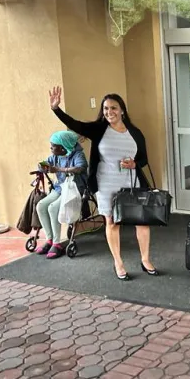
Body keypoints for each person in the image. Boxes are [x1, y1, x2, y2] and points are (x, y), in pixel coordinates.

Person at [48, 86, 157, 280]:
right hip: (106, 182)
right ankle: (118, 262)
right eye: (106, 109)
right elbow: (76, 124)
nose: (109, 112)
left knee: (142, 221)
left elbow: (143, 159)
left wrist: (134, 163)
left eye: (113, 108)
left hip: (131, 182)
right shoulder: (99, 129)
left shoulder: (135, 132)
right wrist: (56, 109)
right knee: (111, 221)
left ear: (122, 110)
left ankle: (146, 259)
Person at [35, 130, 89, 259]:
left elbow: (80, 168)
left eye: (53, 146)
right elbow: (44, 163)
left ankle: (57, 243)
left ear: (63, 147)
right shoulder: (55, 156)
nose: (51, 148)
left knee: (53, 208)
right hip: (60, 188)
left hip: (74, 189)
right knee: (41, 206)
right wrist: (41, 166)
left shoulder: (78, 155)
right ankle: (49, 239)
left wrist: (59, 169)